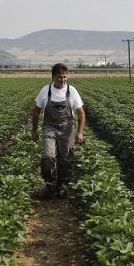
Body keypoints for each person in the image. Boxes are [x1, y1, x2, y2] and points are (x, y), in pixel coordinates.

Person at [31, 63, 86, 198]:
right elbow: (36, 112)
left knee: (65, 158)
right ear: (53, 77)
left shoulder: (71, 91)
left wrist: (80, 132)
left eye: (64, 77)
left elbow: (81, 114)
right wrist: (34, 130)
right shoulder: (46, 90)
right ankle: (50, 185)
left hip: (67, 128)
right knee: (48, 157)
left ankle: (62, 185)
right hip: (49, 127)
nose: (62, 80)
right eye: (59, 77)